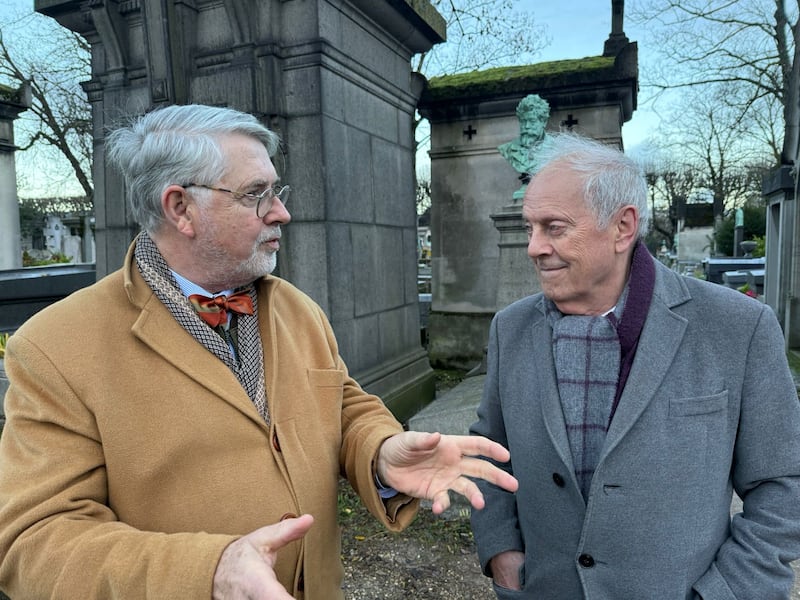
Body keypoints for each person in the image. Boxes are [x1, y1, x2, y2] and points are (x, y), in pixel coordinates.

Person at [0, 103, 518, 600]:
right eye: (256, 195)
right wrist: (208, 574)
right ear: (180, 208)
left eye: (278, 191)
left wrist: (380, 452)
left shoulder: (297, 309)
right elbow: (33, 543)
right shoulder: (55, 347)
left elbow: (341, 407)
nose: (283, 212)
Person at [470, 132, 800, 599]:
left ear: (623, 228)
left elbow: (783, 483)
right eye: (529, 228)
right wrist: (501, 551)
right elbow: (489, 449)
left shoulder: (737, 328)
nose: (534, 247)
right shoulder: (511, 328)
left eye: (554, 228)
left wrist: (728, 591)